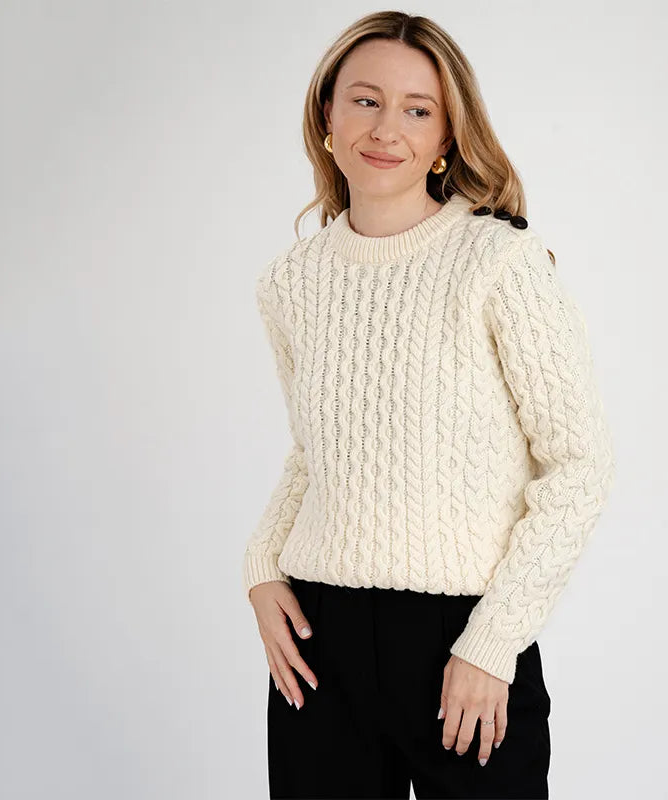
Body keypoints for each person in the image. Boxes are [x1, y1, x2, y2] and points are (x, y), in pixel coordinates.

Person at [242, 10, 616, 799]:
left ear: (447, 135)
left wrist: (492, 643)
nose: (387, 129)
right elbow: (314, 453)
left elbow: (578, 465)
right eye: (365, 100)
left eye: (418, 109)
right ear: (327, 114)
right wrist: (261, 569)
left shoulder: (499, 262)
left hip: (465, 639)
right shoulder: (290, 282)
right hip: (318, 642)